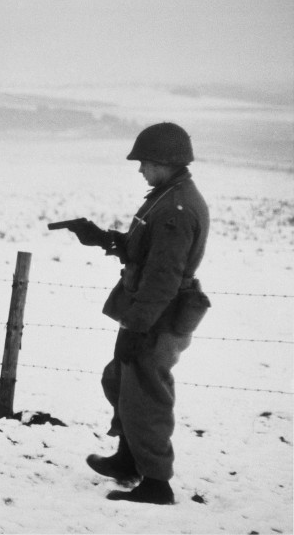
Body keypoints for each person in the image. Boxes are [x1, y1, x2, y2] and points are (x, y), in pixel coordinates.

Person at [60, 122, 210, 505]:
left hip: (159, 315)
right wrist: (104, 238)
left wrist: (137, 328)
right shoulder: (167, 196)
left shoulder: (176, 208)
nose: (140, 168)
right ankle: (129, 460)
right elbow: (147, 251)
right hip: (149, 311)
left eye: (144, 161)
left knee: (145, 395)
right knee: (120, 381)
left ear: (164, 161)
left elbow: (163, 277)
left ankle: (157, 483)